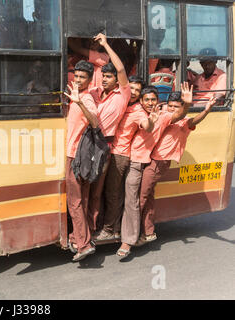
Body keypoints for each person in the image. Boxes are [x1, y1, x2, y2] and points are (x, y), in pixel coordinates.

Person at [117, 83, 192, 260]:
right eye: (147, 100)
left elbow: (179, 116)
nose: (150, 103)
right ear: (141, 101)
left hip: (140, 161)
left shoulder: (164, 115)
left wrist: (187, 104)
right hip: (127, 158)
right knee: (132, 196)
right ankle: (145, 231)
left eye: (153, 100)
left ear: (158, 101)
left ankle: (128, 240)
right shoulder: (136, 110)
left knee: (136, 199)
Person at [136, 91, 218, 247]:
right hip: (150, 159)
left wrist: (206, 110)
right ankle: (148, 232)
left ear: (182, 108)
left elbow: (195, 120)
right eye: (170, 106)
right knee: (148, 197)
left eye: (176, 107)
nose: (172, 109)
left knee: (141, 197)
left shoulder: (184, 121)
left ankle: (133, 232)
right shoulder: (163, 116)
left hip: (159, 162)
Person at [95, 76, 156, 241]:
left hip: (120, 155)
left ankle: (109, 230)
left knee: (112, 193)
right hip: (109, 151)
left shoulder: (138, 111)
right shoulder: (122, 103)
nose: (134, 92)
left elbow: (146, 125)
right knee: (112, 193)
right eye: (132, 88)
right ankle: (115, 229)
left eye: (138, 89)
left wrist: (151, 122)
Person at [87, 33, 131, 235]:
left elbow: (120, 68)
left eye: (109, 77)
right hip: (89, 143)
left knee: (99, 191)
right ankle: (90, 227)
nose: (105, 80)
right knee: (88, 189)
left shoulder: (122, 94)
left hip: (106, 146)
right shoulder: (96, 92)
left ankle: (102, 228)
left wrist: (105, 45)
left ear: (117, 80)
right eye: (104, 76)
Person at [63, 60, 99, 262]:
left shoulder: (86, 99)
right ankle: (79, 239)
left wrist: (79, 102)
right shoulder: (78, 95)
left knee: (75, 202)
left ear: (90, 79)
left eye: (82, 77)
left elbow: (94, 122)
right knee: (82, 200)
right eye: (76, 76)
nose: (77, 80)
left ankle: (83, 245)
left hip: (76, 156)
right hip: (79, 156)